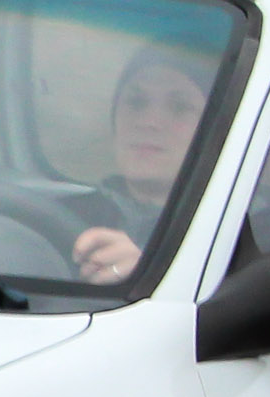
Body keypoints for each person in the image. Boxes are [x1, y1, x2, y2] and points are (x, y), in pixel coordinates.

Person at [70, 46, 213, 284]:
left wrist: (147, 274)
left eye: (180, 107)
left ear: (212, 129)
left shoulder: (243, 234)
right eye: (136, 102)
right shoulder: (66, 214)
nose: (149, 122)